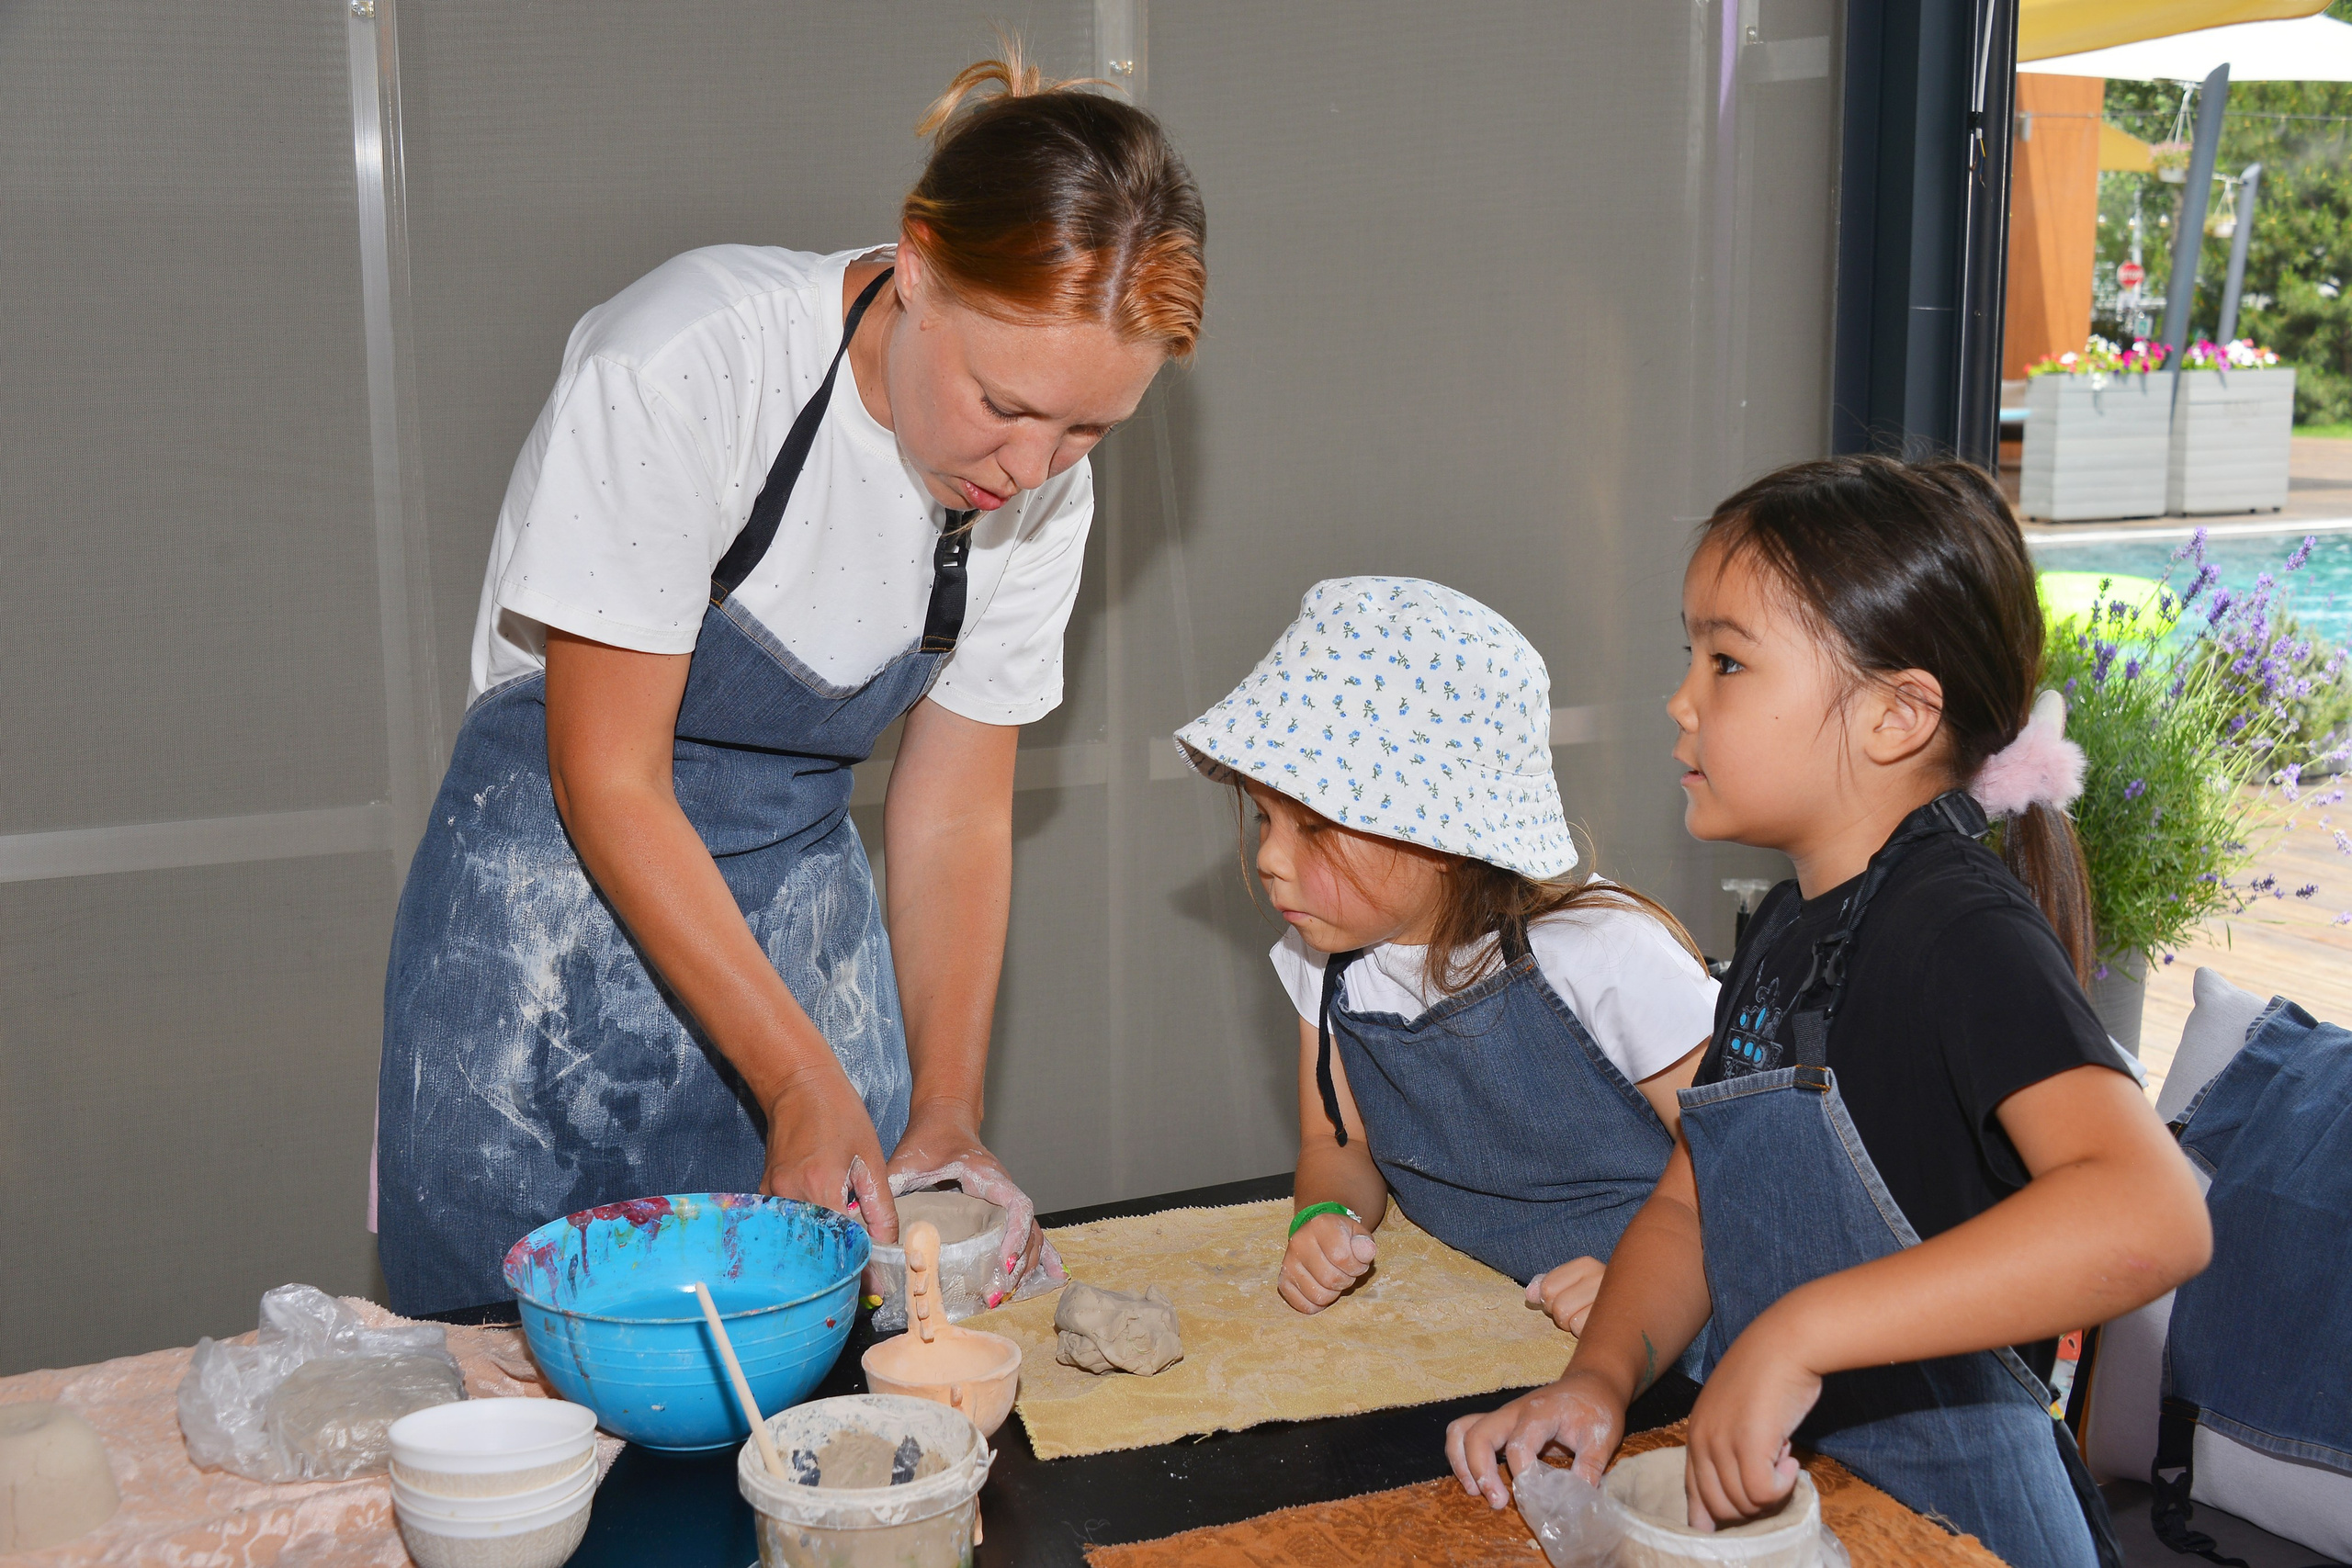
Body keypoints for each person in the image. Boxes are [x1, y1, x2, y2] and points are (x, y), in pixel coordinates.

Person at [374, 51, 1205, 1315]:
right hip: (549, 923)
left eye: (1089, 430)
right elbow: (607, 775)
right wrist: (800, 1082)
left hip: (798, 927)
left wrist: (943, 1108)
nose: (1032, 465)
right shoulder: (691, 365)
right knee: (536, 1375)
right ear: (918, 263)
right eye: (1004, 402)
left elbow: (957, 811)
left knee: (833, 1377)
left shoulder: (1040, 490)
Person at [1447, 457, 2212, 1568]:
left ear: (1896, 715)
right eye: (1690, 656)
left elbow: (2151, 1215)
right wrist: (1596, 1384)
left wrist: (1801, 1333)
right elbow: (1689, 1211)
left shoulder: (1959, 930)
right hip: (1811, 1515)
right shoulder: (1782, 936)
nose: (1682, 698)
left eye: (1726, 661)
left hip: (1966, 1535)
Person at [1174, 577, 1717, 1332]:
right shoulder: (1322, 959)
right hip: (1493, 1321)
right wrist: (1325, 1213)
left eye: (1315, 828)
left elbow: (1754, 1169)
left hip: (1672, 1329)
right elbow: (1339, 1140)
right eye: (1266, 819)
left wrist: (1647, 1287)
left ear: (1440, 835)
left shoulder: (1606, 953)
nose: (1269, 858)